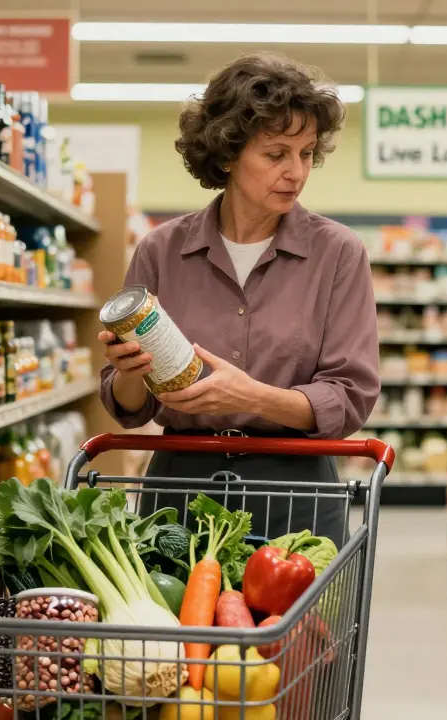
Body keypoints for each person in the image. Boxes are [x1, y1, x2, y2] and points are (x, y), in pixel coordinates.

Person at [96, 52, 379, 542]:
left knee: (297, 622)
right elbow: (130, 407)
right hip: (180, 490)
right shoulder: (162, 251)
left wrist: (253, 397)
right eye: (276, 154)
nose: (297, 171)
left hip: (295, 487)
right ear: (227, 154)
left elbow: (348, 398)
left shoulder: (337, 253)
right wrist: (127, 373)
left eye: (307, 153)